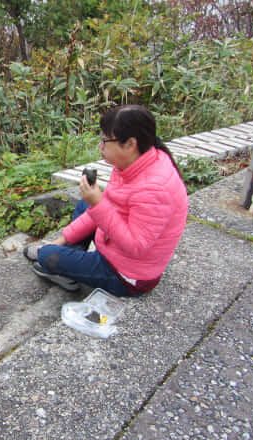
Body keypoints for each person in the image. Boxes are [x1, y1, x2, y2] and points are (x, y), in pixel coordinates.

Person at [23, 105, 188, 296]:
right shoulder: (134, 161)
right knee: (86, 204)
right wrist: (58, 241)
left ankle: (66, 266)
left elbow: (135, 247)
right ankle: (69, 257)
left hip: (126, 275)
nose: (100, 146)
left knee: (46, 256)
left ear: (130, 144)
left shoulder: (154, 189)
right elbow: (108, 205)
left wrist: (98, 205)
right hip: (115, 247)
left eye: (105, 140)